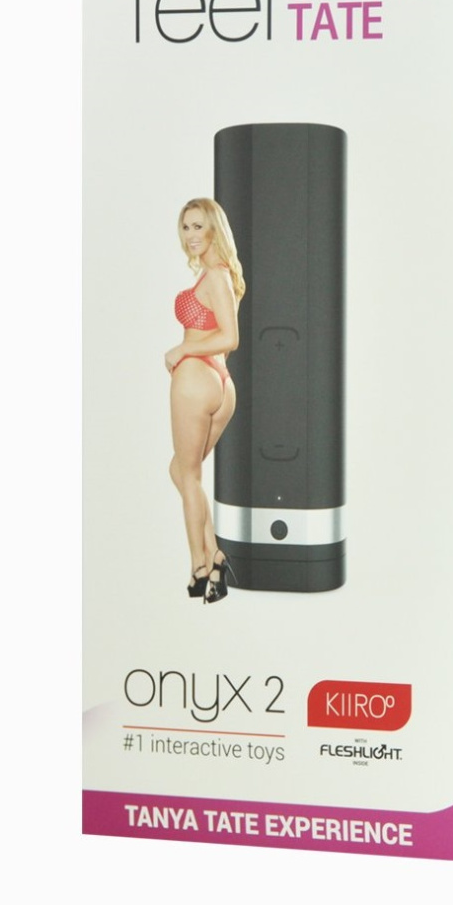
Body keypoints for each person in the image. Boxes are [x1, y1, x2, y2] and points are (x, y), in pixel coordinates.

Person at [166, 197, 245, 603]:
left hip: (197, 378)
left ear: (215, 228)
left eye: (198, 226)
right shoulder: (220, 274)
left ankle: (199, 567)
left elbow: (231, 338)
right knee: (181, 471)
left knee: (190, 475)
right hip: (220, 384)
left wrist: (182, 351)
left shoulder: (215, 275)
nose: (191, 235)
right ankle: (215, 554)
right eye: (186, 227)